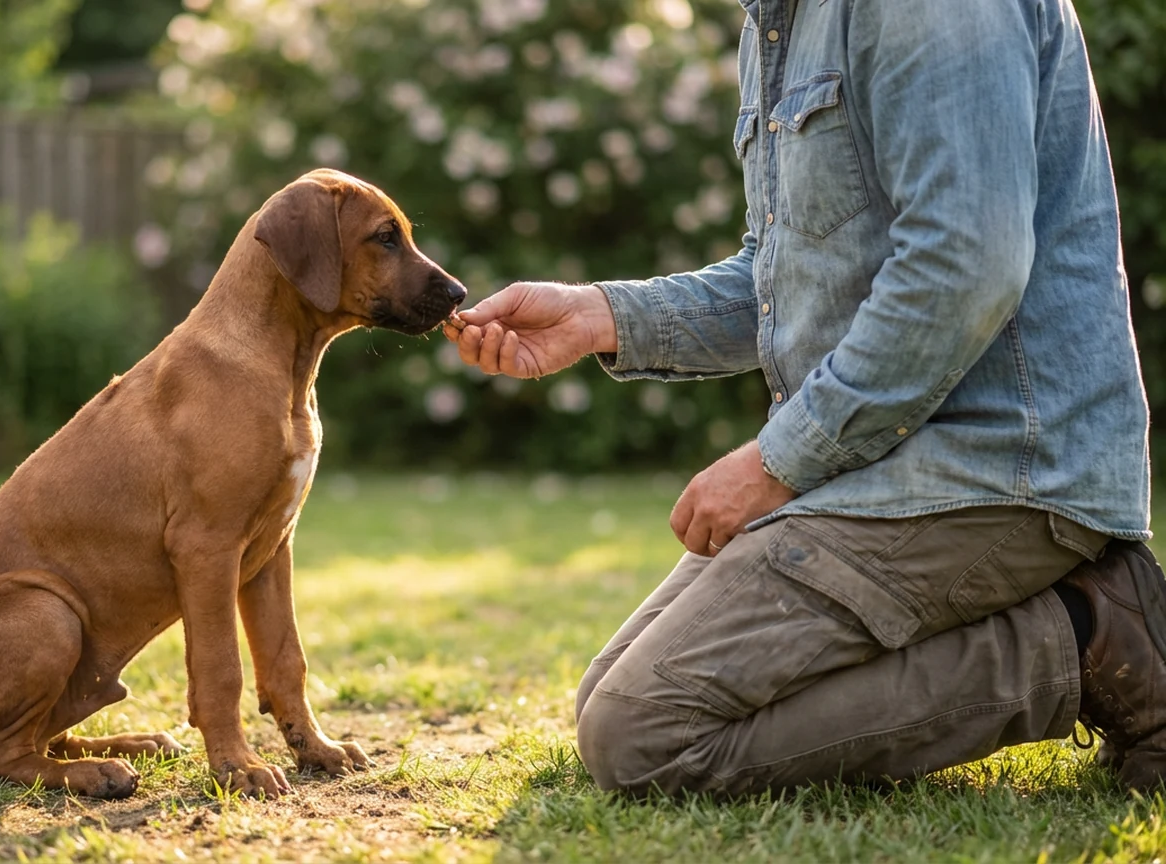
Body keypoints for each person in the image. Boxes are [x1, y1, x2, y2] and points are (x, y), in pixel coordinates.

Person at [444, 0, 1159, 795]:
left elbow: (964, 267)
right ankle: (1075, 613)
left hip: (999, 467)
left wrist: (776, 463)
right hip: (883, 464)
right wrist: (601, 316)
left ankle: (1089, 637)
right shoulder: (780, 22)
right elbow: (787, 276)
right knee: (612, 699)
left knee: (643, 734)